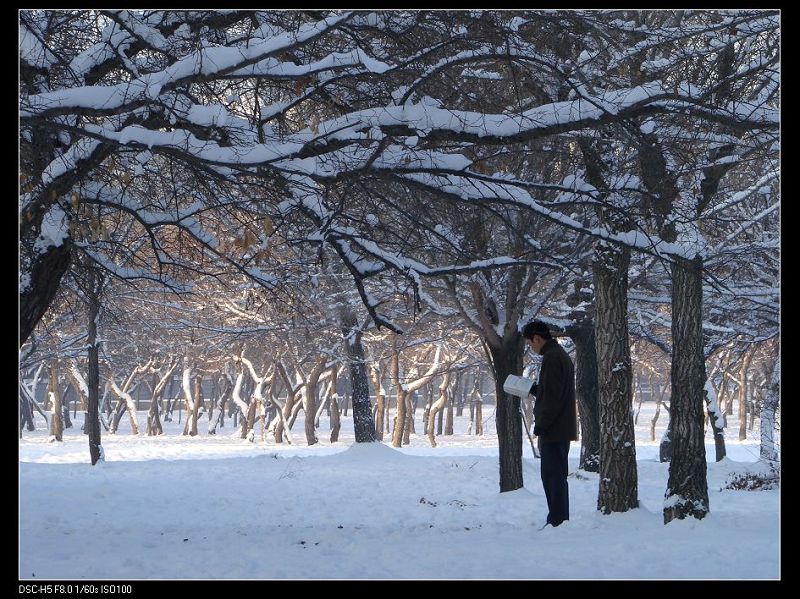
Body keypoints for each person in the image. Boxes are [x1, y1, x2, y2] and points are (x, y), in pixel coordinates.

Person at [522, 320, 578, 528]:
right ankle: (558, 519)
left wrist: (542, 424)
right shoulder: (557, 356)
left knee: (553, 477)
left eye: (530, 343)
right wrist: (535, 389)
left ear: (537, 338)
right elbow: (553, 390)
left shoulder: (552, 358)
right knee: (555, 476)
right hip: (559, 427)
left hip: (554, 428)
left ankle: (557, 521)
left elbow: (553, 398)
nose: (531, 347)